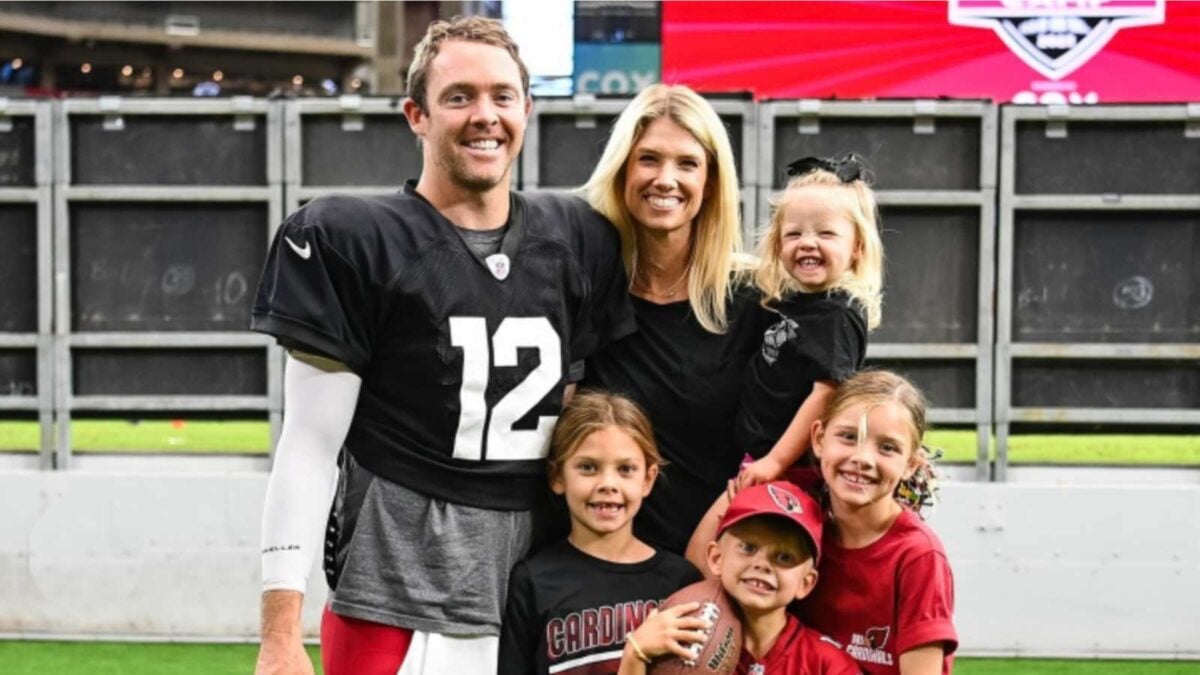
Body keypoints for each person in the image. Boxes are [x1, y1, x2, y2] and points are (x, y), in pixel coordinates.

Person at [250, 16, 634, 675]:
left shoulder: (577, 238)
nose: (484, 116)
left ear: (527, 110)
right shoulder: (355, 239)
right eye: (459, 97)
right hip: (391, 604)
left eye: (501, 96)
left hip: (530, 602)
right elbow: (308, 445)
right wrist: (280, 632)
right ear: (416, 115)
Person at [582, 83, 772, 555]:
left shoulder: (757, 302)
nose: (665, 179)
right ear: (622, 169)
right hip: (597, 578)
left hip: (714, 575)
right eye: (648, 159)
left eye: (687, 163)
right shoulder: (581, 288)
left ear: (710, 183)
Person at [684, 153, 884, 563]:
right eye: (794, 234)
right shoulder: (795, 300)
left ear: (857, 248)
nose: (807, 242)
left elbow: (827, 393)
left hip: (789, 470)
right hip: (759, 460)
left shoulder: (838, 311)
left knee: (705, 557)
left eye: (826, 234)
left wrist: (774, 462)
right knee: (707, 556)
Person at [498, 391, 701, 674]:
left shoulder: (681, 581)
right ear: (557, 476)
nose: (608, 483)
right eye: (588, 467)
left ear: (648, 479)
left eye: (625, 469)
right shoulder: (532, 581)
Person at [800, 371, 956, 675]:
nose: (863, 458)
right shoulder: (797, 529)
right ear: (819, 439)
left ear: (911, 464)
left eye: (887, 447)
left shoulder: (919, 556)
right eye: (848, 437)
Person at [617, 481, 861, 675]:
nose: (762, 564)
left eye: (784, 557)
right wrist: (635, 655)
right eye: (748, 547)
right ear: (716, 557)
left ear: (806, 583)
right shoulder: (681, 637)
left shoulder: (826, 664)